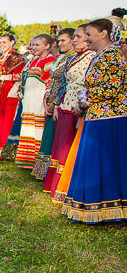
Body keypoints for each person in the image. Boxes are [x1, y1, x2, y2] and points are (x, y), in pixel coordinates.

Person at [60, 18, 126, 223]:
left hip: (110, 117)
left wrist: (83, 99)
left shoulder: (113, 55)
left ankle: (110, 209)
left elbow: (111, 88)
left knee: (105, 163)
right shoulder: (102, 55)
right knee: (96, 161)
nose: (86, 38)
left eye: (89, 34)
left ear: (104, 33)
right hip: (98, 115)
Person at [45, 26, 93, 196]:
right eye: (75, 37)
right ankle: (57, 186)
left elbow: (89, 85)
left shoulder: (92, 57)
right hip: (66, 104)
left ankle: (68, 188)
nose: (75, 40)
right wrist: (57, 104)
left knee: (71, 147)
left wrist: (83, 110)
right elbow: (64, 83)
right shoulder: (74, 57)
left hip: (78, 107)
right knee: (61, 147)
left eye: (79, 36)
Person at [31, 29, 76, 179]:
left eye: (64, 40)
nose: (60, 43)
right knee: (49, 137)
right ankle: (44, 173)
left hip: (61, 102)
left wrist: (55, 102)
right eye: (59, 41)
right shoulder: (61, 58)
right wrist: (47, 100)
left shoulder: (72, 58)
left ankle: (54, 176)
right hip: (51, 99)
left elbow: (63, 82)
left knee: (56, 139)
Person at [14, 34, 57, 168]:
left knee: (38, 129)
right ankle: (26, 160)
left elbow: (50, 82)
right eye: (33, 45)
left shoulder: (51, 61)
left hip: (39, 100)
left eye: (38, 45)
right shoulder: (33, 61)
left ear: (47, 46)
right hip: (29, 100)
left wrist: (47, 101)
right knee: (28, 128)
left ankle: (37, 162)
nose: (34, 47)